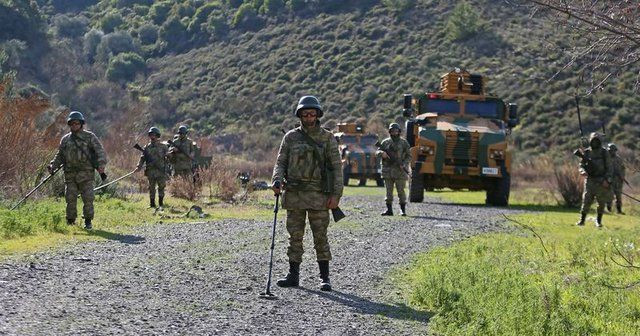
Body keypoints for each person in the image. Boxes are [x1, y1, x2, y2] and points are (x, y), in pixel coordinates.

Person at [271, 95, 343, 291]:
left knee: (320, 236)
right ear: (300, 115)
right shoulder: (290, 137)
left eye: (312, 113)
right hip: (294, 194)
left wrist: (336, 196)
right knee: (294, 236)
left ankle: (324, 277)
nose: (309, 117)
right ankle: (293, 275)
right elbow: (281, 162)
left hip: (319, 195)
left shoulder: (327, 138)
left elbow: (337, 169)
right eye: (305, 114)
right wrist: (276, 180)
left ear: (318, 114)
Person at [48, 111, 108, 230]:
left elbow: (100, 151)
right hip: (70, 174)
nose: (74, 125)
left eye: (77, 123)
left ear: (81, 124)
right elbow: (60, 155)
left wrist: (101, 164)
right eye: (72, 123)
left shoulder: (89, 137)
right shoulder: (65, 139)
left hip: (86, 173)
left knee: (88, 198)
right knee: (70, 198)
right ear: (69, 124)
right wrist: (52, 166)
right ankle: (70, 221)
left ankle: (88, 221)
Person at [576, 132, 613, 227]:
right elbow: (581, 165)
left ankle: (599, 221)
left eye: (597, 141)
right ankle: (582, 220)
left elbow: (609, 168)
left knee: (601, 202)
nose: (595, 143)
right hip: (590, 180)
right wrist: (582, 171)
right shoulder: (587, 153)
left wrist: (607, 180)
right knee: (586, 200)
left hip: (601, 181)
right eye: (593, 140)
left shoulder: (604, 153)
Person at [376, 123, 411, 216]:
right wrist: (381, 154)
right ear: (390, 132)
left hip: (400, 171)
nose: (394, 133)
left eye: (396, 131)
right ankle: (389, 210)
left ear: (399, 131)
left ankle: (402, 210)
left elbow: (409, 156)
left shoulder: (404, 143)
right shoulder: (385, 142)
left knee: (401, 192)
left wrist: (403, 164)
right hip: (387, 171)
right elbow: (377, 152)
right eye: (392, 131)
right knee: (388, 192)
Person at [135, 127, 169, 208]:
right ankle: (152, 204)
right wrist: (138, 167)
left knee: (161, 187)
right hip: (151, 171)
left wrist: (169, 156)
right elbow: (142, 158)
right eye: (151, 135)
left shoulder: (163, 147)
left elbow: (169, 158)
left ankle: (161, 204)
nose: (152, 137)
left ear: (157, 136)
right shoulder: (146, 147)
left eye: (154, 135)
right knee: (151, 188)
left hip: (161, 170)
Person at [607, 143, 626, 214]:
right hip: (609, 180)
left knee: (618, 196)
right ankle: (609, 209)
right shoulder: (606, 159)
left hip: (618, 181)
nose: (612, 152)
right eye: (610, 150)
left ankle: (619, 210)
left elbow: (623, 168)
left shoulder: (619, 159)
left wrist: (622, 176)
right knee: (609, 196)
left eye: (613, 150)